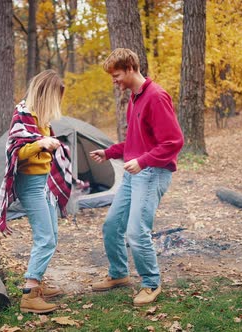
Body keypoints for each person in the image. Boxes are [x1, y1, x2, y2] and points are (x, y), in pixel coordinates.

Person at [89, 48, 184, 306]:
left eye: (116, 75)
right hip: (136, 174)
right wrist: (109, 152)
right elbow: (135, 142)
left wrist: (142, 162)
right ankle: (119, 274)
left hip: (153, 172)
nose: (114, 81)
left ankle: (151, 283)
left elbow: (174, 142)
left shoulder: (156, 96)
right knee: (111, 226)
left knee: (136, 231)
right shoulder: (134, 98)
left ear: (131, 69)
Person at [0, 69, 73, 314]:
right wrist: (41, 144)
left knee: (53, 236)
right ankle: (29, 293)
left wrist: (50, 146)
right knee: (45, 238)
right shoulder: (23, 115)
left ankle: (37, 282)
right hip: (30, 184)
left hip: (44, 183)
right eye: (56, 97)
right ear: (46, 93)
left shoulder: (41, 119)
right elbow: (17, 152)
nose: (58, 103)